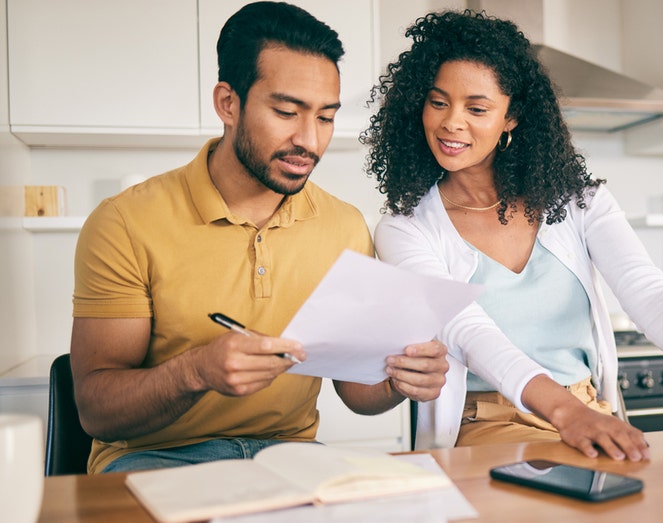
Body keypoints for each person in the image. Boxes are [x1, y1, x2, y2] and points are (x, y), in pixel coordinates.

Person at [363, 10, 663, 461]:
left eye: (477, 108)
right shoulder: (406, 227)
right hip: (489, 427)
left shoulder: (578, 202)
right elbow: (467, 332)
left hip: (589, 411)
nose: (452, 122)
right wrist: (564, 413)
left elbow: (648, 291)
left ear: (510, 118)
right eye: (438, 102)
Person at [70, 1, 448, 474]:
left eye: (326, 117)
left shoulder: (344, 226)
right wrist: (195, 372)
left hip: (291, 458)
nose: (310, 141)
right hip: (153, 459)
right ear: (228, 103)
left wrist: (401, 379)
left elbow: (356, 393)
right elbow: (96, 411)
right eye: (287, 111)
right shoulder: (125, 222)